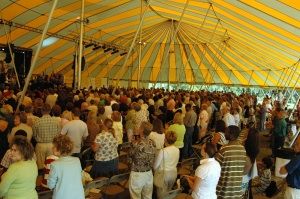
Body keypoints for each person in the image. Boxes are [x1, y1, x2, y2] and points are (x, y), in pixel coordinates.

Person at [47, 134, 84, 199]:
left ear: (58, 149)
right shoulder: (77, 160)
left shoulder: (55, 164)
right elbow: (80, 176)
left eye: (53, 146)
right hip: (78, 195)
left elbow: (50, 185)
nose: (52, 148)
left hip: (62, 196)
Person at [215, 125, 247, 199]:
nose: (225, 133)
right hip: (237, 189)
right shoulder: (242, 149)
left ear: (231, 135)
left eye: (226, 132)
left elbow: (216, 166)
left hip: (224, 189)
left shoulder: (224, 149)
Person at [128, 121, 156, 199]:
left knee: (135, 197)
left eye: (140, 127)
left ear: (142, 130)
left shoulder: (137, 144)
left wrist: (132, 144)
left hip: (137, 175)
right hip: (149, 174)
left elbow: (129, 159)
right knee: (147, 197)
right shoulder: (153, 143)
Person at [32, 103, 61, 169]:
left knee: (40, 167)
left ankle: (41, 178)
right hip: (52, 145)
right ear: (50, 111)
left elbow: (34, 134)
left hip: (40, 145)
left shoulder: (37, 122)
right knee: (51, 166)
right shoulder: (56, 122)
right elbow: (59, 134)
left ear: (42, 111)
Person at [153, 131, 179, 199]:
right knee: (168, 193)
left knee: (161, 196)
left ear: (165, 139)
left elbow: (155, 166)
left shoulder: (163, 151)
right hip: (173, 173)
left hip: (163, 175)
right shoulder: (177, 150)